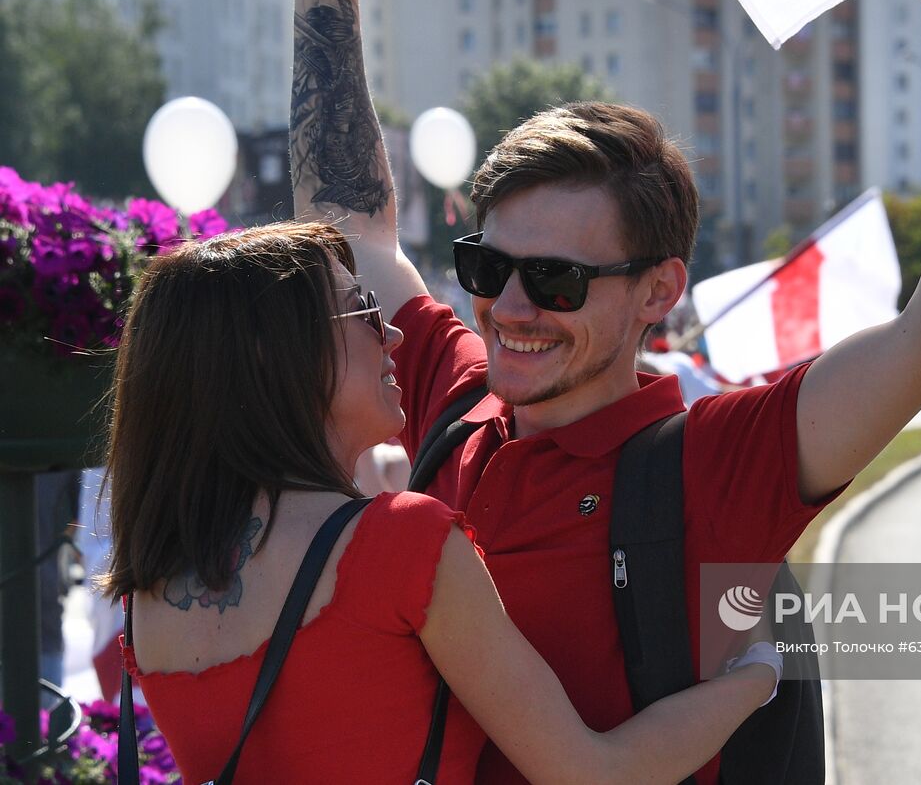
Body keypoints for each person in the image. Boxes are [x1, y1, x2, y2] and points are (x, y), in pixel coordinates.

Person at [291, 0, 921, 783]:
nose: (512, 308)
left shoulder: (715, 465)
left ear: (660, 290)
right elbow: (348, 227)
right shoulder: (454, 406)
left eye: (559, 280)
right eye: (487, 267)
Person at [102, 222, 778, 784]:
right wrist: (756, 675)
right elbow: (593, 774)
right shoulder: (399, 544)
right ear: (271, 357)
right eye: (363, 311)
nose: (392, 335)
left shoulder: (149, 586)